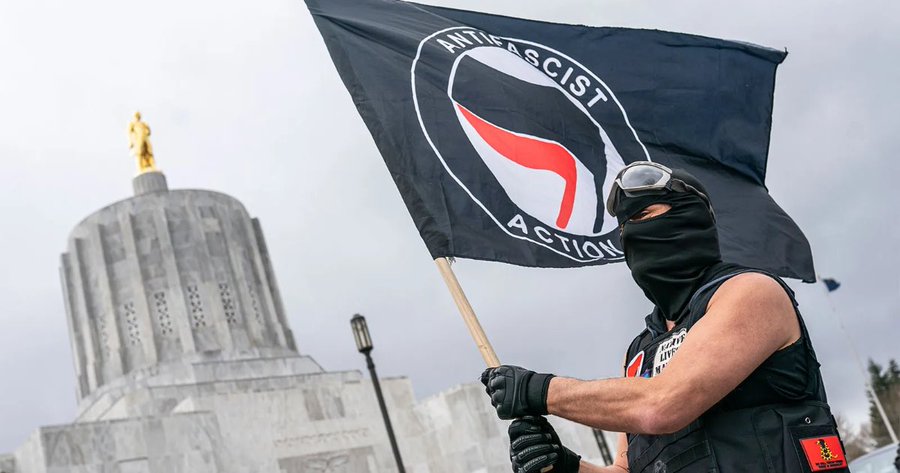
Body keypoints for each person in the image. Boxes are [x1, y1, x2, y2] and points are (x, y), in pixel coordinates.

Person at [481, 162, 848, 472]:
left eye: (643, 216)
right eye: (625, 229)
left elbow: (663, 404)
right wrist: (566, 466)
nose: (632, 235)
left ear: (692, 218)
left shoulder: (750, 293)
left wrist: (541, 391)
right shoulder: (640, 353)